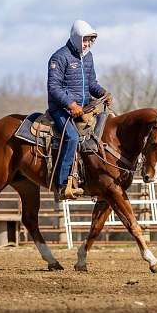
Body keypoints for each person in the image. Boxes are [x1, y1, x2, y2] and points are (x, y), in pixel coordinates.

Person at [47, 19, 113, 200]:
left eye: (90, 40)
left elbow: (91, 83)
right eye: (85, 40)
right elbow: (54, 88)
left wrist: (103, 93)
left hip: (84, 108)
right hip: (61, 109)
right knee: (72, 136)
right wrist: (71, 105)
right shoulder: (59, 57)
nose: (88, 44)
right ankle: (62, 185)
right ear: (76, 38)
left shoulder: (88, 57)